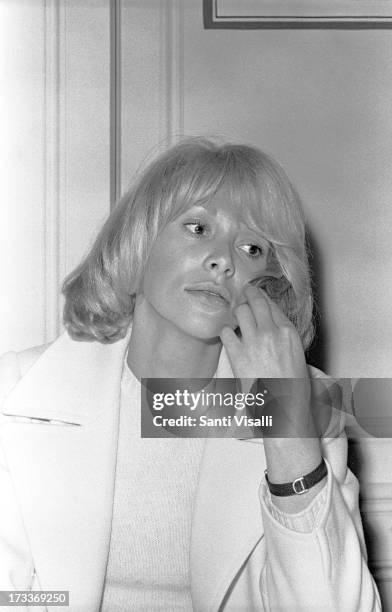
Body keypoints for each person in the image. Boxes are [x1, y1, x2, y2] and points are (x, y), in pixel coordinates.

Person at [0, 137, 380, 611]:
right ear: (137, 247)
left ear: (270, 286)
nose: (225, 260)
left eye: (252, 248)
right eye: (198, 227)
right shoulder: (16, 391)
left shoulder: (310, 402)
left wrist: (284, 419)